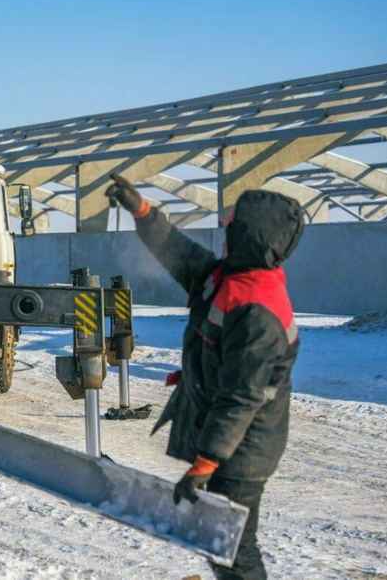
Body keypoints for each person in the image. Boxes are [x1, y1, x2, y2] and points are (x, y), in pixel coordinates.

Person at [106, 174, 304, 580]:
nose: (224, 231)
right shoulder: (226, 278)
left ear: (251, 235)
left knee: (232, 549)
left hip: (245, 451)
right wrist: (142, 211)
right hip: (233, 443)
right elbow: (177, 252)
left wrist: (207, 461)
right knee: (222, 546)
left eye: (231, 226)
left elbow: (243, 396)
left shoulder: (258, 308)